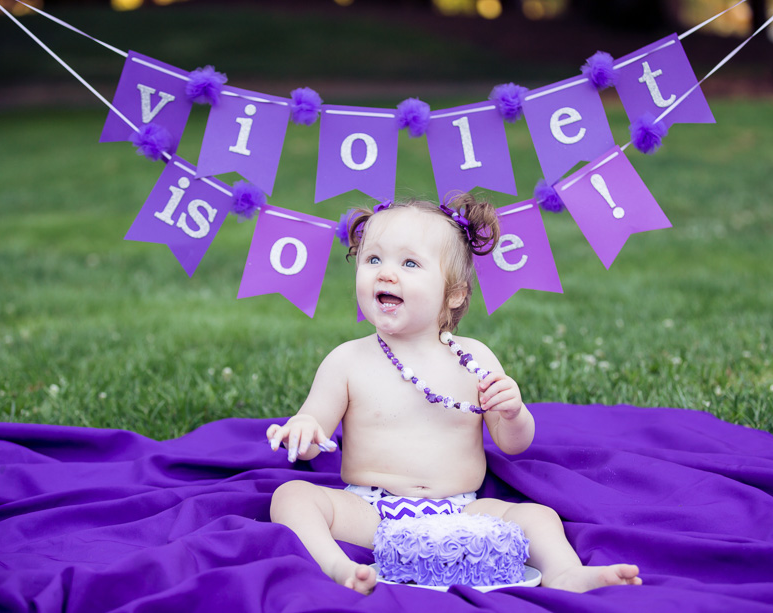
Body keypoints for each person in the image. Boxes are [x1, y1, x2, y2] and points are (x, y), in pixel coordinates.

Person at [267, 195, 641, 595]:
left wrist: (513, 412)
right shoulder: (347, 360)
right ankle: (338, 566)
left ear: (455, 294)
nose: (385, 274)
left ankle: (565, 573)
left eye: (409, 264)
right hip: (372, 509)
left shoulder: (474, 358)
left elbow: (512, 444)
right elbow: (313, 437)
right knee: (291, 497)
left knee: (539, 516)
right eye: (373, 260)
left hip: (462, 509)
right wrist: (303, 431)